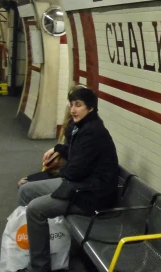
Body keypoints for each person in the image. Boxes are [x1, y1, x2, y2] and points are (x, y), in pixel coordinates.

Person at [17, 86, 119, 272]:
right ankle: (28, 249)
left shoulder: (93, 132)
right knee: (26, 190)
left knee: (35, 209)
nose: (72, 109)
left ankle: (39, 267)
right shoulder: (82, 127)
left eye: (78, 105)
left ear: (91, 108)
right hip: (78, 185)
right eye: (71, 104)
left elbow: (73, 171)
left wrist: (44, 175)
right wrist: (58, 148)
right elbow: (74, 156)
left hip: (89, 195)